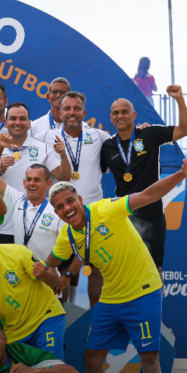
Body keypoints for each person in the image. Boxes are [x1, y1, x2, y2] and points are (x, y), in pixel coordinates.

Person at [45, 157, 187, 373]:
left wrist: (182, 175)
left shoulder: (106, 209)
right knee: (91, 358)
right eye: (59, 207)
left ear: (79, 198)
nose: (66, 208)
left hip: (143, 291)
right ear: (56, 212)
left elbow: (151, 194)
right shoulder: (67, 235)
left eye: (69, 201)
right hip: (111, 297)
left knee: (150, 360)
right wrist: (41, 271)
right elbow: (50, 262)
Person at [100, 86, 187, 273]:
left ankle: (156, 303)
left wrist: (180, 100)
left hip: (152, 216)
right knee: (126, 270)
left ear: (134, 115)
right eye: (116, 113)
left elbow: (186, 129)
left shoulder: (150, 134)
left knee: (154, 269)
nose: (120, 116)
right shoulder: (108, 147)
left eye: (125, 112)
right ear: (111, 118)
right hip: (124, 217)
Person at [36, 91, 109, 303]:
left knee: (95, 268)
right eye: (66, 108)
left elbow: (123, 141)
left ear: (84, 112)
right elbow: (19, 139)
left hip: (92, 213)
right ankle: (65, 319)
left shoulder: (98, 136)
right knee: (63, 268)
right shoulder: (45, 137)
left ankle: (95, 321)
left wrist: (141, 131)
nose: (71, 113)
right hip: (60, 213)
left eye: (76, 108)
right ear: (59, 112)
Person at [0, 220, 66, 359]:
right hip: (14, 333)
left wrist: (44, 275)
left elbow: (56, 284)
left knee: (51, 370)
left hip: (45, 318)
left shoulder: (16, 252)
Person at [0, 148, 74, 299]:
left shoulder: (58, 212)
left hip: (47, 284)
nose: (32, 183)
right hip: (21, 283)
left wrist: (67, 274)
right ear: (24, 182)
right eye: (29, 179)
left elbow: (75, 246)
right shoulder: (16, 199)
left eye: (37, 180)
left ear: (48, 183)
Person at [0, 102, 69, 245]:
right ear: (6, 122)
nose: (17, 122)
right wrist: (0, 168)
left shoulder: (43, 148)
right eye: (13, 118)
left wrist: (64, 156)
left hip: (35, 225)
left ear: (29, 123)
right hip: (1, 226)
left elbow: (63, 177)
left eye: (22, 119)